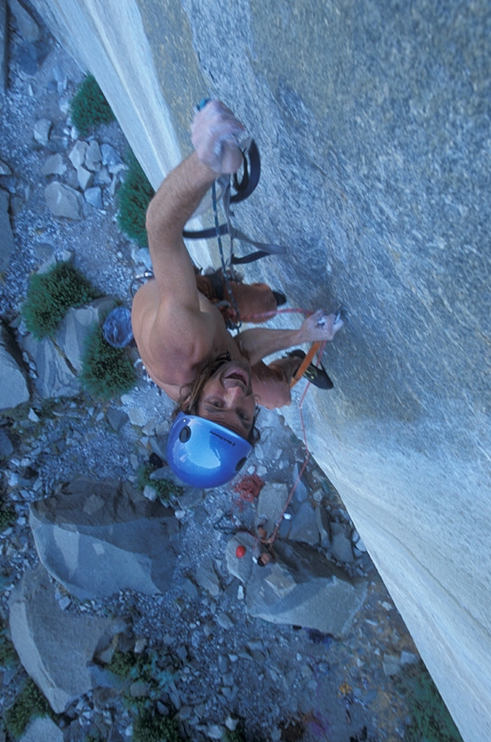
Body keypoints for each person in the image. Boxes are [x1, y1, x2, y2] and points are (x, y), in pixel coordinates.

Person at [131, 99, 342, 488]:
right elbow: (240, 355)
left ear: (187, 402)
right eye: (244, 416)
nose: (235, 393)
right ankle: (298, 358)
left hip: (189, 299)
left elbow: (160, 228)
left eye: (215, 406)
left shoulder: (179, 342)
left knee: (262, 301)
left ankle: (215, 288)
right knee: (277, 394)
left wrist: (205, 163)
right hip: (214, 334)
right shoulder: (227, 380)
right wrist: (303, 335)